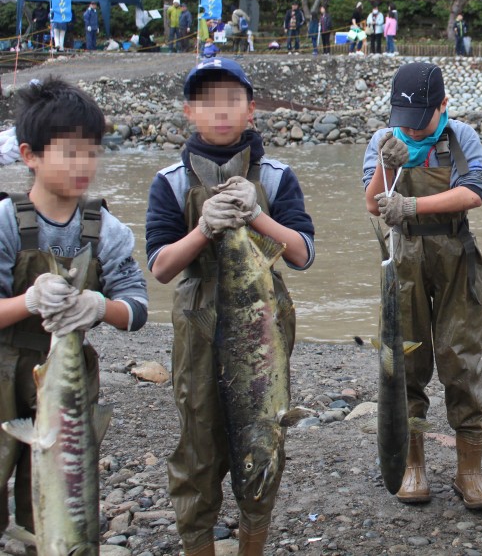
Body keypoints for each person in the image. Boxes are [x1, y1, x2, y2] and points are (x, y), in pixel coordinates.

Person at [145, 57, 315, 556]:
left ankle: (251, 543)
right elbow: (160, 266)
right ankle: (198, 541)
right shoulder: (171, 181)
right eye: (208, 102)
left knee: (264, 430)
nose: (221, 112)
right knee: (198, 443)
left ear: (251, 111)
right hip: (199, 324)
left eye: (232, 101)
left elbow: (302, 253)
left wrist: (256, 216)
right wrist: (204, 228)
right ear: (189, 112)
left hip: (264, 320)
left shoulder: (278, 176)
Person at [0, 78, 149, 541]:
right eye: (70, 152)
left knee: (58, 493)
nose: (84, 163)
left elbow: (137, 308)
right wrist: (27, 301)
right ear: (30, 155)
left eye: (92, 151)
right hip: (4, 369)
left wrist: (99, 305)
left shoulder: (107, 230)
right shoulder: (6, 221)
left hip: (70, 378)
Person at [362, 62, 482, 510]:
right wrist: (386, 164)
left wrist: (412, 204)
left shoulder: (461, 138)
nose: (413, 132)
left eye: (422, 122)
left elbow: (475, 191)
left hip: (455, 255)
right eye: (406, 123)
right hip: (403, 261)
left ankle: (469, 471)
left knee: (461, 356)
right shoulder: (384, 140)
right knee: (407, 358)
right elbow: (371, 202)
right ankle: (413, 463)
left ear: (443, 105)